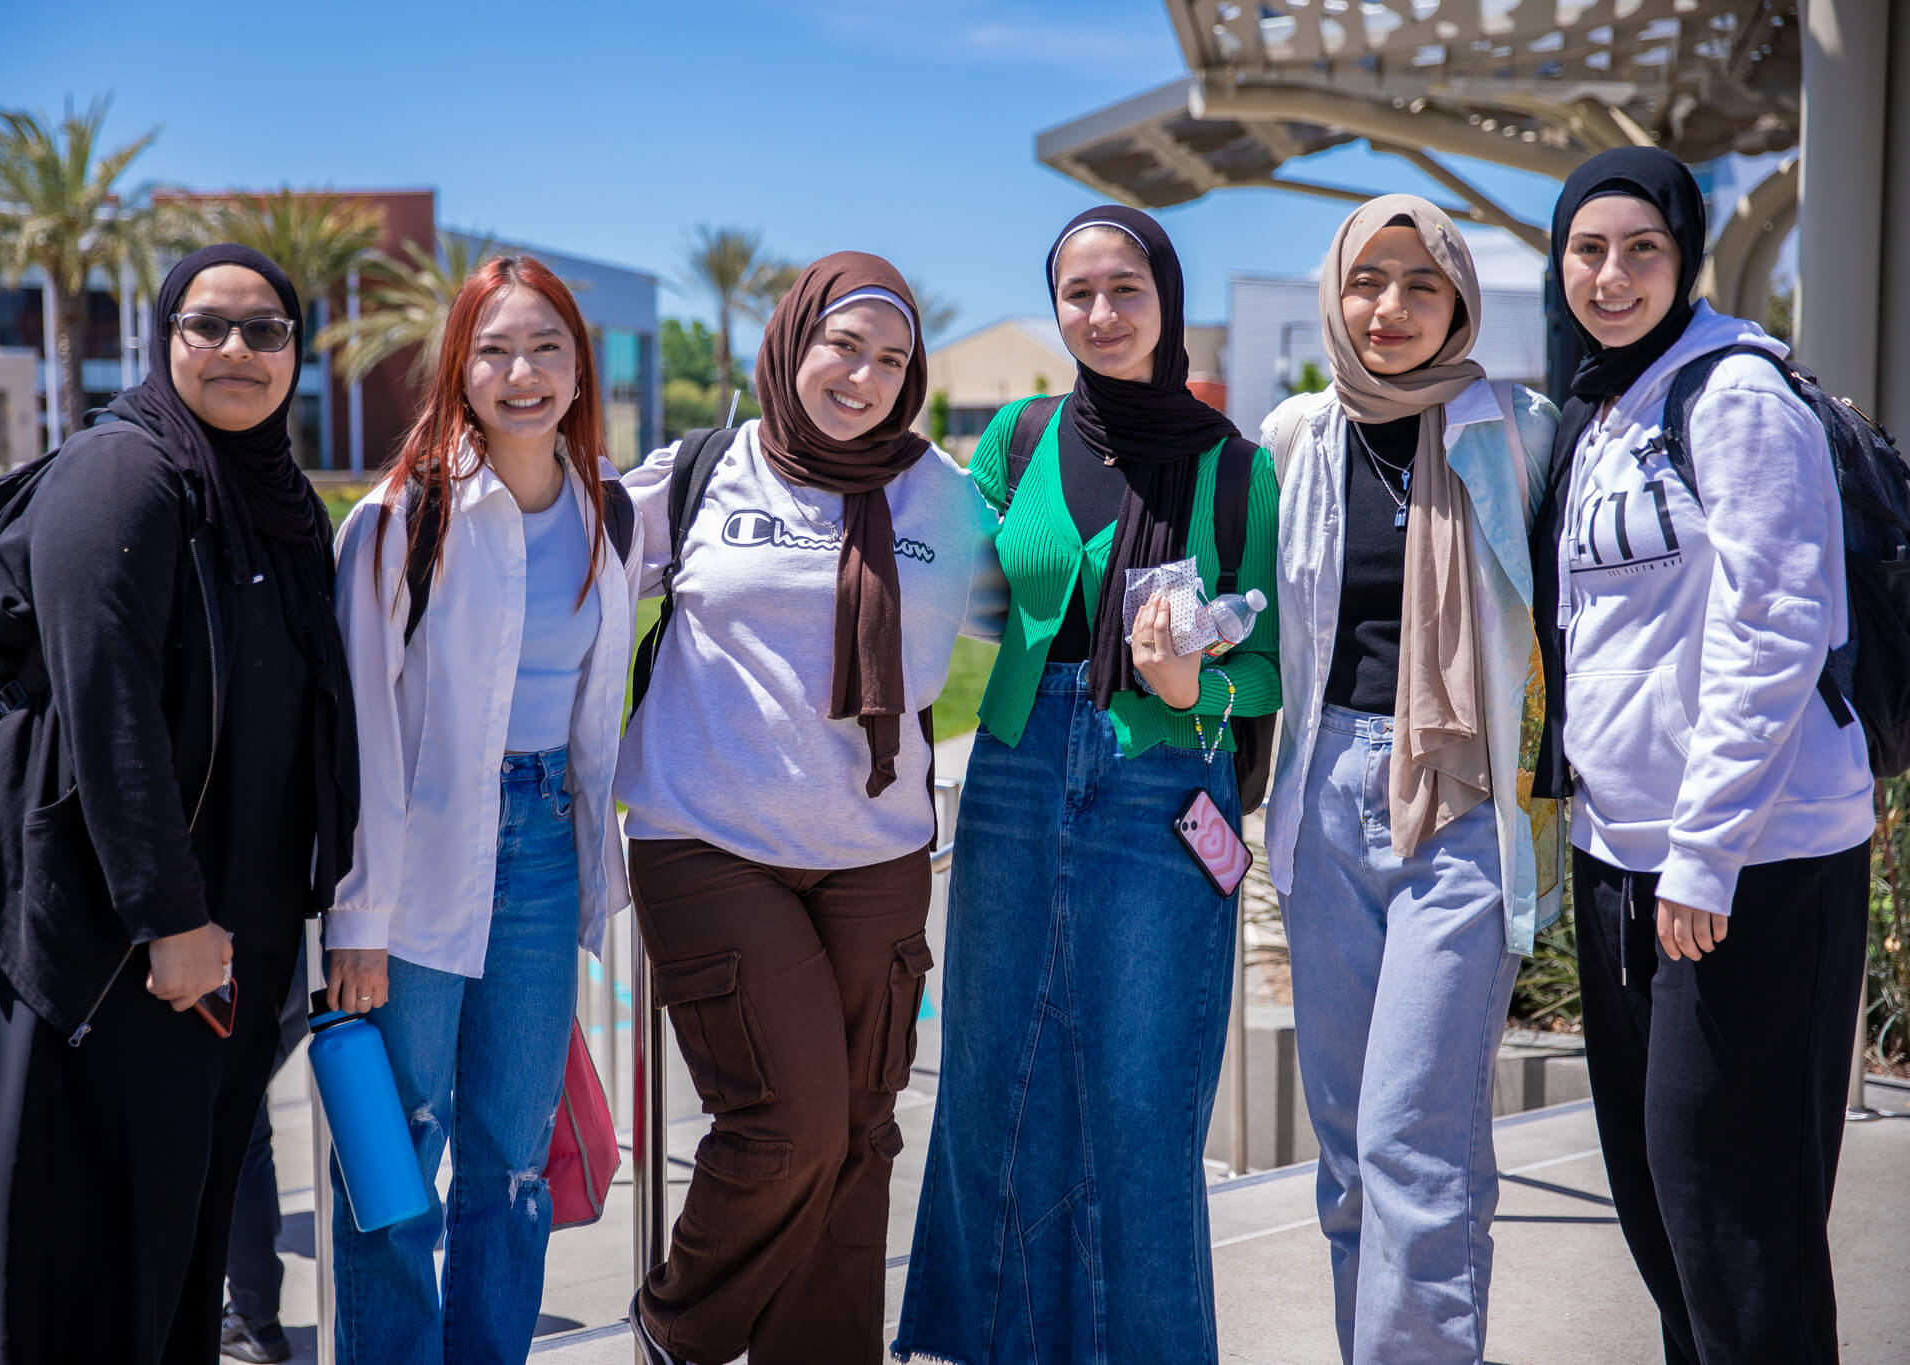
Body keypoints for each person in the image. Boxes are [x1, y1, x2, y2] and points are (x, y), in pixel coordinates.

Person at [0, 243, 358, 1364]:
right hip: (96, 939)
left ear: (295, 355)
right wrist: (167, 918)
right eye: (206, 326)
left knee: (171, 1247)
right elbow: (103, 704)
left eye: (265, 330)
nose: (236, 350)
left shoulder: (274, 503)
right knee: (72, 1260)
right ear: (162, 338)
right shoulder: (121, 475)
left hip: (225, 943)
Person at [894, 207, 1280, 1365]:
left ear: (1164, 299)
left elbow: (1268, 673)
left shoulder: (1236, 467)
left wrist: (1187, 668)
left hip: (1158, 785)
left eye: (1124, 290)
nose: (1100, 313)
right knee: (990, 1084)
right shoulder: (1013, 438)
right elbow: (972, 592)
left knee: (1139, 1109)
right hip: (1012, 774)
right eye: (1077, 293)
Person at [616, 253, 1001, 1365]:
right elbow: (561, 565)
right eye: (844, 345)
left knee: (859, 1141)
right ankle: (676, 1329)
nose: (863, 377)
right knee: (786, 1130)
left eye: (890, 359)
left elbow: (1034, 607)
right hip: (708, 840)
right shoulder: (701, 474)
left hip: (874, 855)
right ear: (793, 342)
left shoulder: (941, 493)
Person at [1534, 147, 1875, 1363]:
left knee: (1737, 1222)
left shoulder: (1731, 394)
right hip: (1626, 857)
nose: (1611, 275)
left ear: (1682, 259)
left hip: (1748, 865)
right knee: (1664, 1213)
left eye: (1641, 250)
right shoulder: (1609, 402)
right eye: (1587, 249)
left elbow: (1774, 624)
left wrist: (1703, 852)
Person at [325, 254, 642, 1365]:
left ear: (578, 365)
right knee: (393, 1147)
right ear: (458, 365)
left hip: (546, 848)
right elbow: (359, 719)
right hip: (415, 859)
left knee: (512, 1161)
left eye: (546, 347)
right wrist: (355, 914)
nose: (522, 372)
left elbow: (603, 707)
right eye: (495, 348)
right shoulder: (402, 515)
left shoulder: (612, 509)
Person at [1257, 196, 1557, 1363]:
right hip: (1324, 786)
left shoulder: (1516, 429)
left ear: (1458, 302)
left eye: (1417, 284)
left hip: (1463, 800)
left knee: (1412, 1146)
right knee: (1343, 1154)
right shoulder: (1291, 439)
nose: (1386, 309)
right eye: (1364, 282)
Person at [218, 943, 309, 1364]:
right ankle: (256, 1317)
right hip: (284, 956)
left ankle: (254, 1318)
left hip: (229, 958)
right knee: (245, 1137)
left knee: (236, 1138)